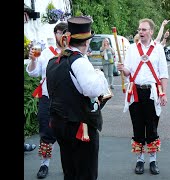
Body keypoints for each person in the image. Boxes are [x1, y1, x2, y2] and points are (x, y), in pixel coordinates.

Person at [46, 16, 109, 180]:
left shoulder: (53, 61)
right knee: (86, 173)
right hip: (80, 128)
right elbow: (93, 90)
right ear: (87, 41)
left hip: (60, 124)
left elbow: (49, 91)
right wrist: (100, 74)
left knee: (70, 171)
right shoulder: (80, 61)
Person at [117, 18, 168, 175]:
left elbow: (164, 73)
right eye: (140, 29)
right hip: (136, 93)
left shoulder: (158, 49)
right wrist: (122, 69)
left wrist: (163, 93)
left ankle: (152, 160)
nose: (141, 32)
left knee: (152, 126)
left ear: (151, 32)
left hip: (152, 93)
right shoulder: (132, 49)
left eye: (144, 29)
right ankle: (140, 160)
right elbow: (128, 72)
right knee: (137, 126)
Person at [26, 22, 68, 179]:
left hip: (66, 100)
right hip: (47, 99)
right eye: (59, 32)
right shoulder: (45, 52)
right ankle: (44, 164)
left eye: (66, 32)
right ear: (55, 34)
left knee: (66, 133)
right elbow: (33, 73)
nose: (62, 35)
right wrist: (33, 60)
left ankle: (68, 165)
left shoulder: (73, 53)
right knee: (46, 132)